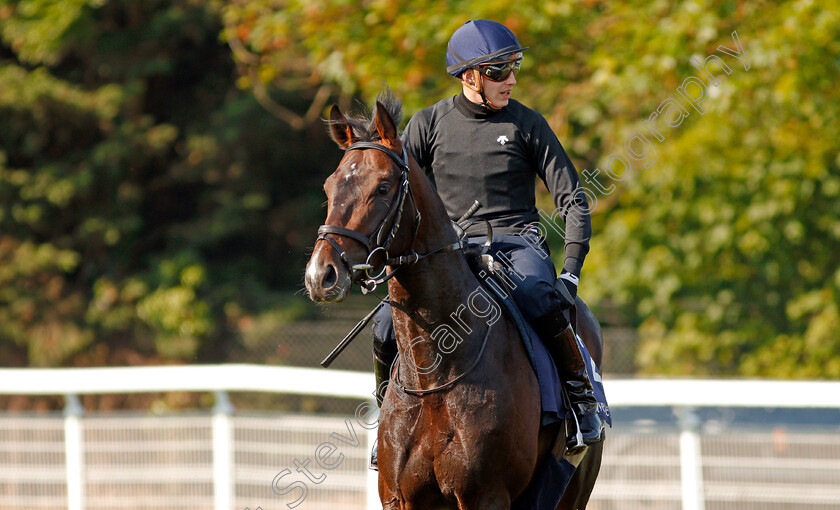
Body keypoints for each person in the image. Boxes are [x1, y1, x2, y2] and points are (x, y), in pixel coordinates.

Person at [370, 19, 603, 467]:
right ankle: (389, 418)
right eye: (499, 71)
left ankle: (581, 400)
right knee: (385, 324)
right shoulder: (428, 124)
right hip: (449, 251)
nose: (511, 79)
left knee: (539, 296)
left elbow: (572, 200)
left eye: (514, 67)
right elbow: (399, 197)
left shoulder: (528, 124)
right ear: (468, 76)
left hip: (518, 246)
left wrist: (570, 270)